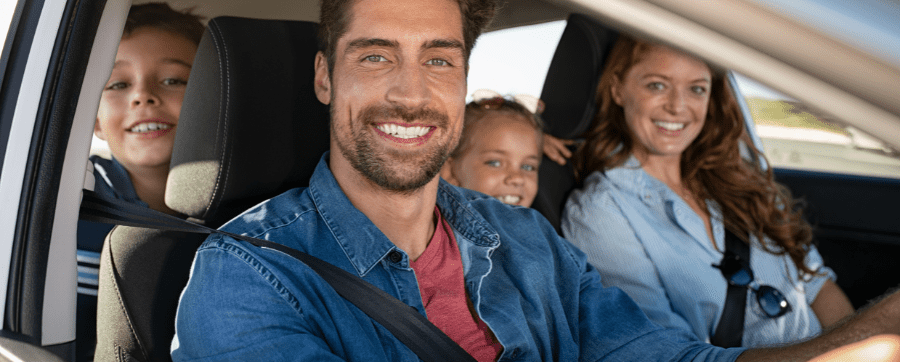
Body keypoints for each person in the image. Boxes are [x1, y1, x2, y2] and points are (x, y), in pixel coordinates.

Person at [171, 0, 900, 361]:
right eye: (374, 57)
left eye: (438, 59)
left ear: (462, 79)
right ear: (326, 77)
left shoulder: (527, 243)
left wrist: (865, 341)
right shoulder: (248, 278)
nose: (409, 93)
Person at [561, 35, 855, 347]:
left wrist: (854, 347)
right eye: (657, 85)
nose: (677, 106)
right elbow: (668, 351)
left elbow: (816, 283)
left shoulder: (737, 174)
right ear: (618, 89)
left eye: (696, 89)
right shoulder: (601, 211)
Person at [76, 3, 203, 361]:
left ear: (215, 101)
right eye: (117, 84)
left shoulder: (255, 212)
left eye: (173, 80)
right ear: (95, 120)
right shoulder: (67, 204)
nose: (142, 95)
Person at [440, 89, 544, 207]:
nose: (517, 179)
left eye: (528, 167)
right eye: (495, 163)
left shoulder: (537, 224)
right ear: (449, 171)